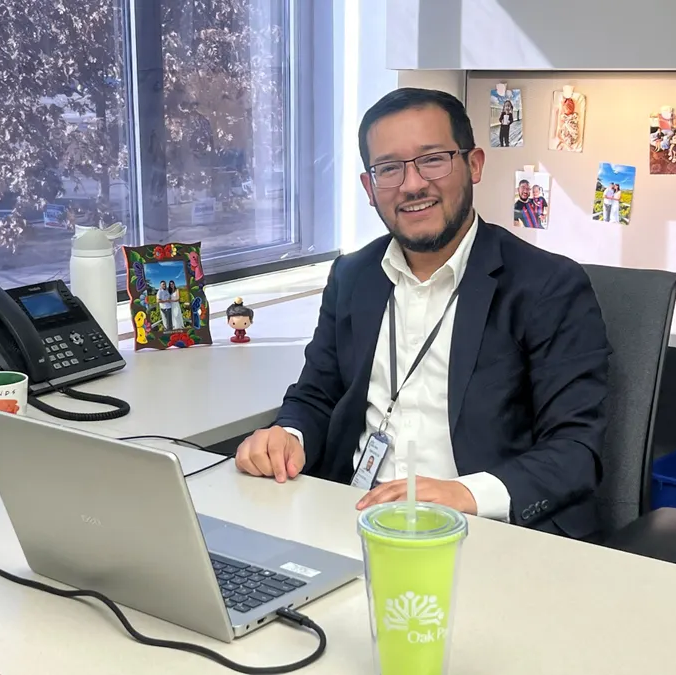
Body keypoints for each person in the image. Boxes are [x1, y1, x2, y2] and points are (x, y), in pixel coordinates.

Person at [234, 87, 612, 539]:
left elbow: (575, 450)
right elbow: (316, 395)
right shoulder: (353, 276)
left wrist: (464, 495)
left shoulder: (547, 286)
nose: (412, 184)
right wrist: (287, 436)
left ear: (474, 165)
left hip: (487, 533)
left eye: (433, 160)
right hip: (354, 521)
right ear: (370, 188)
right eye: (389, 168)